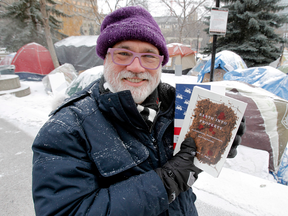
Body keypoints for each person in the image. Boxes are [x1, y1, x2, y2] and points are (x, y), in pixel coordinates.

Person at [32, 6, 245, 216]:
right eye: (123, 54)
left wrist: (215, 144)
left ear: (161, 63)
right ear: (105, 59)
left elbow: (189, 163)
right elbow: (66, 211)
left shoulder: (176, 108)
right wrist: (168, 181)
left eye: (149, 56)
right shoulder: (65, 130)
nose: (136, 67)